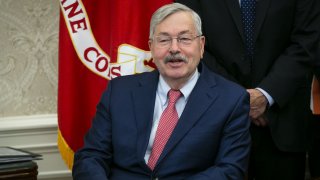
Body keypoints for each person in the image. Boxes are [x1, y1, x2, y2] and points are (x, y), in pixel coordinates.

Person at [72, 3, 251, 180]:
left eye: (184, 39)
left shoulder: (231, 100)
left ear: (201, 45)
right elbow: (91, 156)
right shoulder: (119, 91)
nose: (174, 49)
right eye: (164, 40)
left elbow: (230, 169)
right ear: (151, 46)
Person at [176, 0, 320, 180]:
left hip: (281, 121)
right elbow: (189, 44)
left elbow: (307, 41)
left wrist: (267, 94)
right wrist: (239, 98)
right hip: (215, 122)